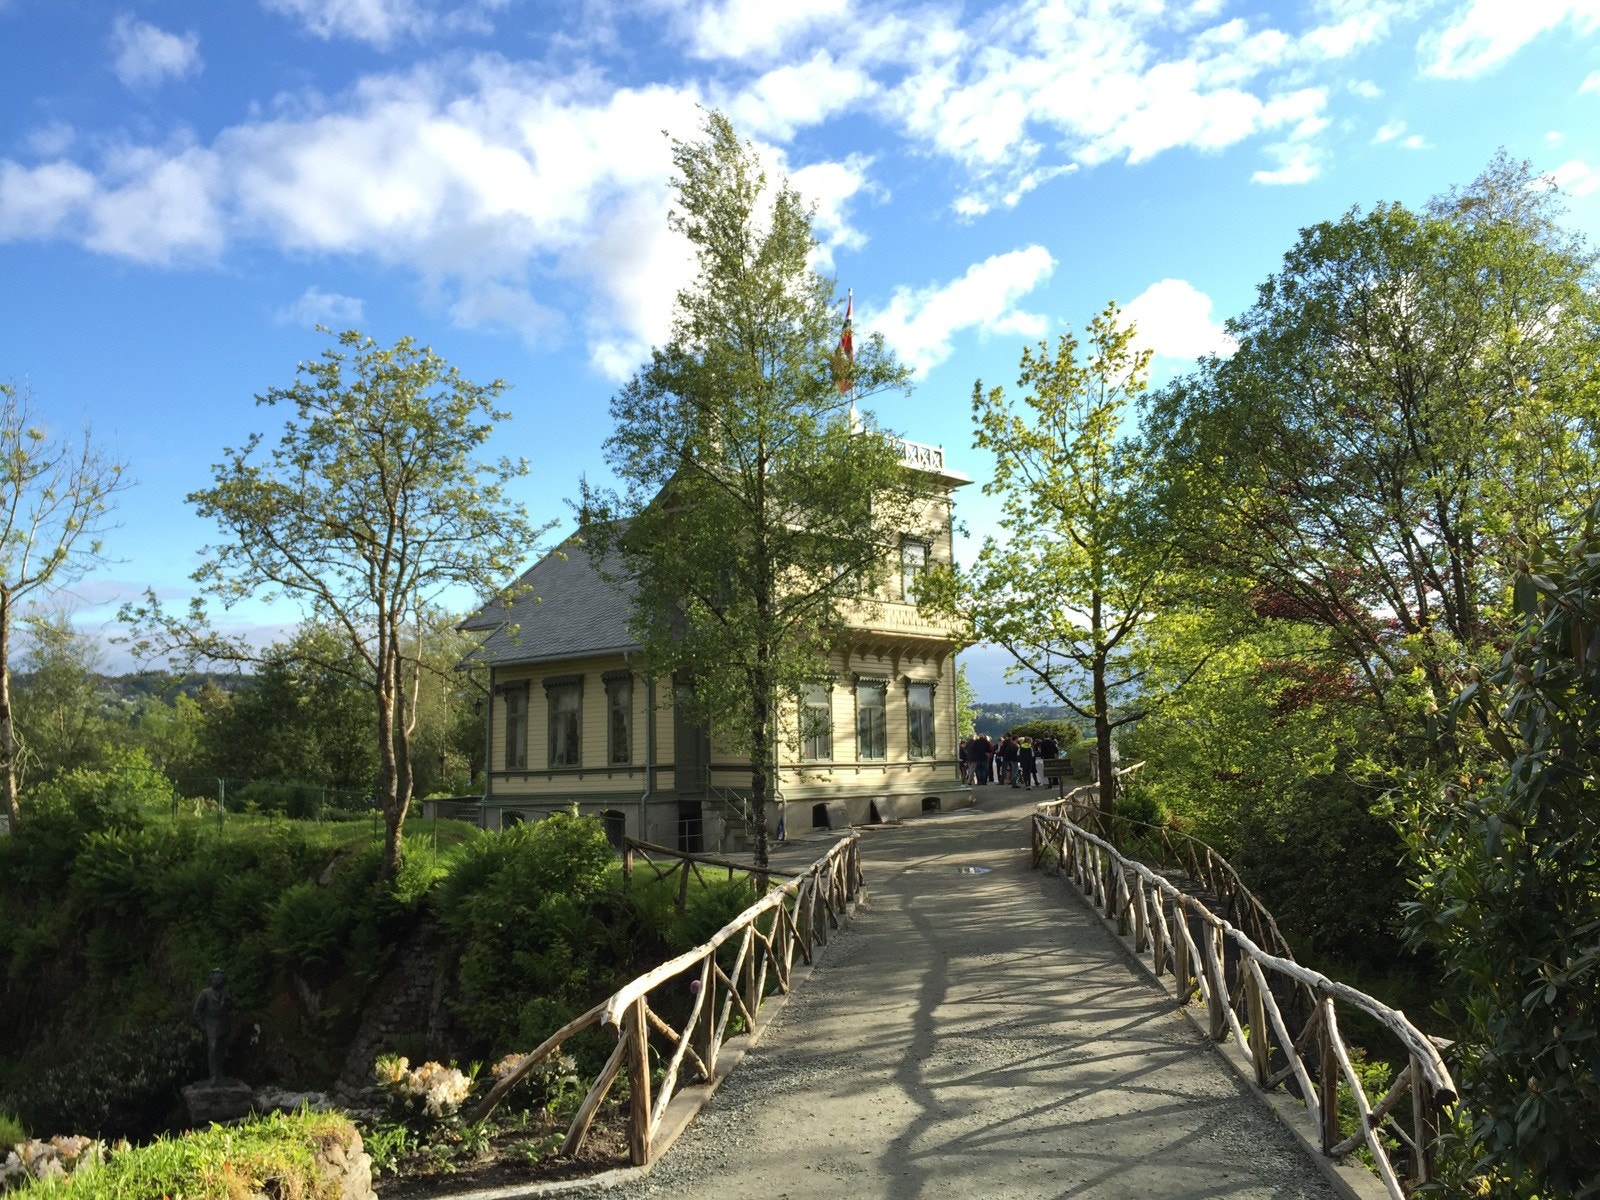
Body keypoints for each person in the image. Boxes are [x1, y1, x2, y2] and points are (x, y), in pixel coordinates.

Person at [193, 968, 231, 1082]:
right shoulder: (205, 993)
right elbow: (196, 1011)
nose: (217, 981)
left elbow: (229, 1008)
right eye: (215, 979)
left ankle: (220, 1073)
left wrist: (229, 1001)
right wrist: (203, 1026)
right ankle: (213, 1075)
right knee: (213, 1049)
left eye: (219, 979)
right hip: (211, 1024)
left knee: (222, 1049)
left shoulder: (225, 993)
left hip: (224, 1024)